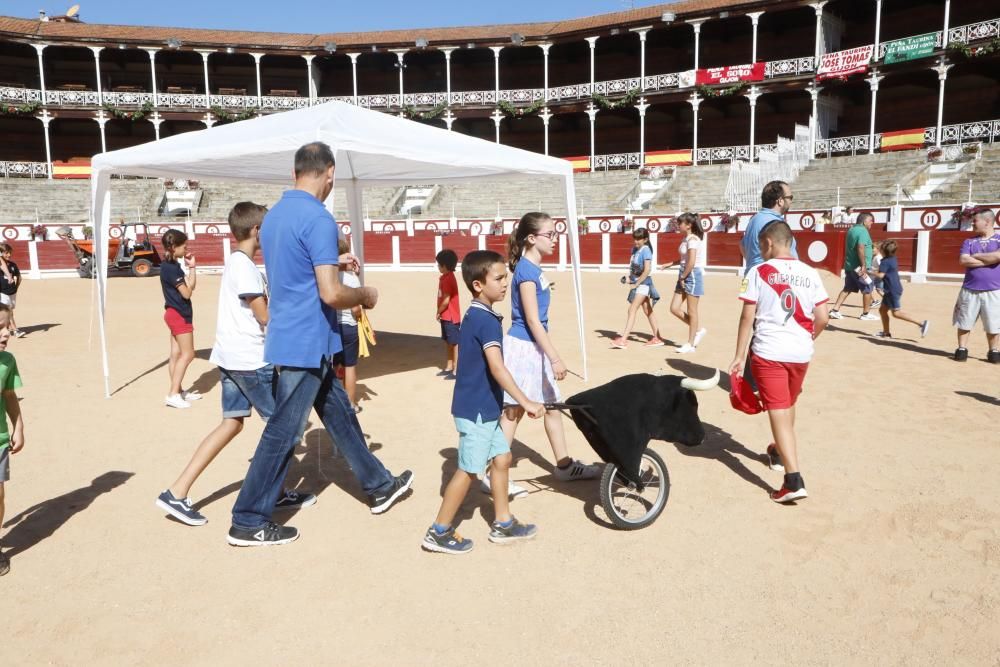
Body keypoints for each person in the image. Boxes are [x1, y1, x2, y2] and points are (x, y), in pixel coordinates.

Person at [228, 142, 412, 547]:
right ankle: (247, 519)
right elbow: (330, 293)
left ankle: (379, 484)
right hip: (307, 338)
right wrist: (364, 294)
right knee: (283, 431)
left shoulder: (273, 217)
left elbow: (300, 274)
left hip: (294, 334)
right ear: (329, 172)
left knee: (339, 415)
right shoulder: (319, 218)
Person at [155, 203, 317, 527]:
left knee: (232, 423)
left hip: (233, 357)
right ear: (257, 231)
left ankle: (178, 491)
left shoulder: (238, 262)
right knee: (283, 429)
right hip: (249, 360)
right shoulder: (244, 266)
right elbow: (265, 315)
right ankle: (263, 495)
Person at [422, 250, 544, 554]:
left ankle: (503, 523)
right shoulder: (485, 320)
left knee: (502, 459)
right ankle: (439, 530)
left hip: (484, 407)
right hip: (476, 411)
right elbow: (497, 368)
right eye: (499, 278)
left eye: (506, 277)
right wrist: (526, 401)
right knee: (469, 470)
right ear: (478, 285)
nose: (506, 283)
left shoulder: (480, 314)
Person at [484, 211, 601, 500]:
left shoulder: (531, 270)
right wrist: (555, 357)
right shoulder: (526, 271)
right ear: (532, 238)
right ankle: (493, 474)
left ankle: (564, 465)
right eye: (550, 234)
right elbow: (533, 321)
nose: (555, 239)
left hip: (532, 347)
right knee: (513, 412)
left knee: (550, 406)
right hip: (525, 348)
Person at [729, 221, 829, 503]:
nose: (760, 250)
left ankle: (793, 479)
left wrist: (738, 356)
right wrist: (807, 340)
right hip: (800, 353)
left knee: (777, 411)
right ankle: (777, 450)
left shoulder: (758, 272)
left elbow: (747, 316)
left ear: (770, 243)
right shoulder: (811, 273)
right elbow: (822, 318)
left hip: (769, 351)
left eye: (761, 245)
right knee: (788, 404)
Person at [159, 229, 201, 409]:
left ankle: (178, 390)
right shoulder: (171, 268)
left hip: (172, 312)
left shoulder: (170, 266)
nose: (186, 249)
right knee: (188, 354)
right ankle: (173, 393)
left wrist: (192, 267)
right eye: (184, 246)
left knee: (176, 355)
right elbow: (187, 292)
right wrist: (188, 285)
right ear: (174, 246)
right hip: (179, 314)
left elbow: (190, 286)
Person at [953, 207, 1000, 363]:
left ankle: (993, 351)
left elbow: (998, 256)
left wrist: (977, 256)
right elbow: (963, 260)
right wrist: (990, 260)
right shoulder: (969, 241)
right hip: (970, 288)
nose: (972, 223)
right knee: (965, 321)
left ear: (987, 222)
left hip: (994, 289)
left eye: (975, 220)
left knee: (993, 324)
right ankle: (962, 349)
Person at [658, 212, 707, 353]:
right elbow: (685, 259)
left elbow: (691, 262)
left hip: (691, 275)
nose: (678, 225)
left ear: (688, 225)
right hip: (684, 274)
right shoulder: (687, 238)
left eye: (680, 223)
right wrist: (671, 263)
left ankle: (690, 344)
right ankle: (698, 330)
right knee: (674, 308)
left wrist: (683, 277)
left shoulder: (692, 240)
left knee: (692, 311)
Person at [611, 227, 665, 348]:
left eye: (639, 239)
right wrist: (629, 278)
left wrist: (636, 283)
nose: (636, 241)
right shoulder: (635, 249)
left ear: (645, 239)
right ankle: (658, 338)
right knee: (647, 310)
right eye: (635, 239)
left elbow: (647, 270)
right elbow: (635, 270)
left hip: (644, 283)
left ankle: (623, 340)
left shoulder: (646, 250)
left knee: (632, 309)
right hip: (639, 282)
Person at [0, 304, 23, 575]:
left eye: (7, 327)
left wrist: (18, 426)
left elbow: (8, 395)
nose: (6, 334)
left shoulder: (7, 362)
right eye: (0, 328)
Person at [869, 240, 930, 340]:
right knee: (882, 310)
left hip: (891, 290)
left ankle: (921, 323)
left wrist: (870, 271)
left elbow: (881, 275)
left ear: (883, 251)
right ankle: (886, 332)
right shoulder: (893, 258)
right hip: (894, 288)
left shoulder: (884, 262)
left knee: (896, 313)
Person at [828, 212, 879, 321]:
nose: (872, 223)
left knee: (847, 288)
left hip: (850, 266)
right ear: (864, 221)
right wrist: (863, 265)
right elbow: (860, 247)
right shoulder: (863, 231)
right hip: (860, 267)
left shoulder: (851, 230)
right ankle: (865, 313)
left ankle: (835, 310)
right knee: (868, 288)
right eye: (870, 221)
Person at [335, 237, 364, 412]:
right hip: (349, 326)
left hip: (332, 326)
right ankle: (350, 404)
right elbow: (356, 309)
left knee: (332, 366)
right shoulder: (351, 279)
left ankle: (332, 403)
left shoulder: (328, 276)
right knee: (349, 366)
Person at [434, 248, 460, 378]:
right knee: (449, 342)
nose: (438, 266)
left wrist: (438, 312)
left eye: (439, 264)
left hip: (450, 316)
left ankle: (456, 369)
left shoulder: (448, 279)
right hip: (447, 315)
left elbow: (446, 300)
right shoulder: (445, 277)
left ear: (444, 266)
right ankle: (449, 366)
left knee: (454, 343)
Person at [0, 244, 24, 338]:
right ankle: (15, 330)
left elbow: (19, 277)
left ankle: (7, 328)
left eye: (10, 253)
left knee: (10, 310)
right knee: (8, 310)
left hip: (12, 291)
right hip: (2, 291)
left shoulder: (13, 265)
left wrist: (16, 288)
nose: (9, 255)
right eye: (6, 253)